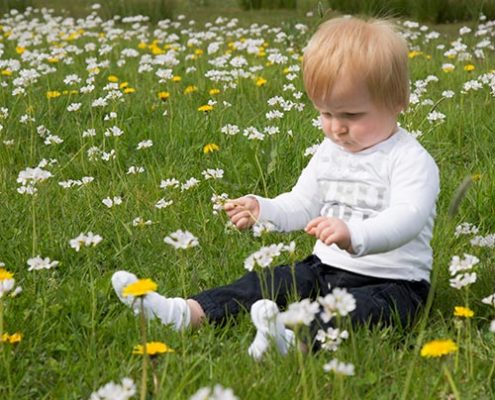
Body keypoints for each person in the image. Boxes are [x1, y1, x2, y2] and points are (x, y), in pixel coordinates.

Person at [112, 16, 439, 358]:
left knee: (357, 313)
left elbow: (409, 217)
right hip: (324, 268)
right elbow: (302, 203)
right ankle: (187, 313)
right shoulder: (330, 154)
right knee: (270, 280)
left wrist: (354, 234)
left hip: (395, 284)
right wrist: (263, 209)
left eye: (352, 116)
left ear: (398, 101)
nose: (337, 128)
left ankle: (288, 341)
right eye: (325, 114)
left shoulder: (410, 160)